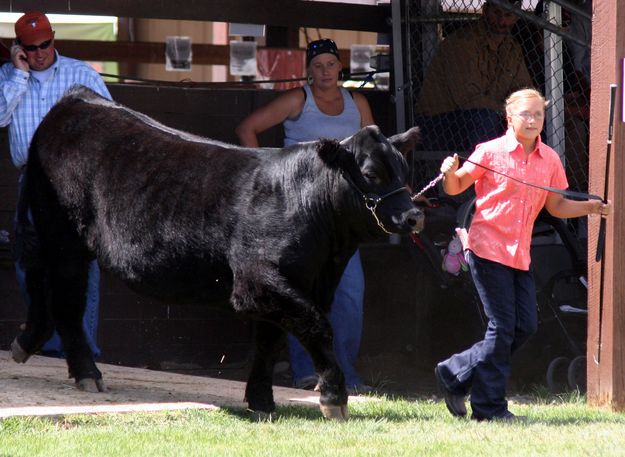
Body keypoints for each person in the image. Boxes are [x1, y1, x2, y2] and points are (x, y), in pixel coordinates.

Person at [434, 88, 611, 421]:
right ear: (509, 117)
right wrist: (449, 171)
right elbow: (455, 187)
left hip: (519, 254)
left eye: (538, 115)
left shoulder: (550, 160)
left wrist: (591, 208)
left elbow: (556, 206)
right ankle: (489, 408)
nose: (532, 121)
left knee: (525, 326)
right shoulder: (490, 152)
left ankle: (454, 373)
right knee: (502, 328)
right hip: (486, 248)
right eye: (525, 114)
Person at [235, 38, 374, 394]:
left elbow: (374, 147)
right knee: (301, 295)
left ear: (340, 67)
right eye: (317, 66)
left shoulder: (357, 102)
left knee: (349, 294)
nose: (324, 71)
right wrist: (267, 176)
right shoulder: (298, 99)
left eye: (330, 64)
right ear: (308, 70)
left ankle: (346, 374)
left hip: (341, 214)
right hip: (298, 212)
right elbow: (247, 128)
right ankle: (307, 374)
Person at [0, 11, 112, 357]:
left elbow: (111, 121)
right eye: (31, 49)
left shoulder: (81, 73)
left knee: (81, 265)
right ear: (19, 49)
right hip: (32, 179)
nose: (39, 53)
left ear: (54, 39)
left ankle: (80, 346)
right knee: (28, 264)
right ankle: (48, 339)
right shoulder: (8, 75)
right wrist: (18, 75)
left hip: (76, 180)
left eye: (45, 44)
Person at [414, 0, 533, 153]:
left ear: (516, 16)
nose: (502, 21)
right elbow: (468, 99)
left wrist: (524, 110)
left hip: (492, 115)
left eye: (508, 15)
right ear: (485, 10)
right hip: (438, 123)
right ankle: (485, 173)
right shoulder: (462, 43)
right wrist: (509, 112)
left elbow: (523, 90)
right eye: (497, 13)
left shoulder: (513, 49)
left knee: (531, 117)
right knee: (485, 118)